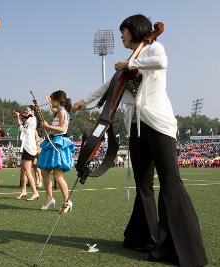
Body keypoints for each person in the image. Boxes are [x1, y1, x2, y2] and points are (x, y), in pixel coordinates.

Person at [73, 14, 207, 267]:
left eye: (123, 31)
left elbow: (160, 62)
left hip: (159, 125)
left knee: (170, 182)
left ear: (135, 30)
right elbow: (107, 86)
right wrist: (83, 102)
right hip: (136, 129)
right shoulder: (128, 62)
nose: (121, 36)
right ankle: (145, 237)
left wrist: (130, 65)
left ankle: (181, 249)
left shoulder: (153, 47)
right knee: (142, 183)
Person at [37, 90, 76, 212]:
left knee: (58, 176)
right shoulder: (59, 110)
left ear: (57, 100)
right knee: (44, 171)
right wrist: (46, 105)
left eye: (52, 100)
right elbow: (55, 112)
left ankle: (67, 201)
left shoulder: (62, 111)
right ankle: (49, 199)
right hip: (52, 141)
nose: (51, 103)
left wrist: (48, 127)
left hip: (58, 143)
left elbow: (62, 128)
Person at [14, 105, 39, 201]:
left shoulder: (32, 119)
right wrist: (19, 117)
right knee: (24, 171)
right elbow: (19, 125)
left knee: (28, 171)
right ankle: (23, 191)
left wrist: (19, 117)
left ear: (32, 111)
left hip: (29, 147)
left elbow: (21, 128)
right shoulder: (28, 119)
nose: (26, 112)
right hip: (25, 147)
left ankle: (35, 192)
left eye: (27, 110)